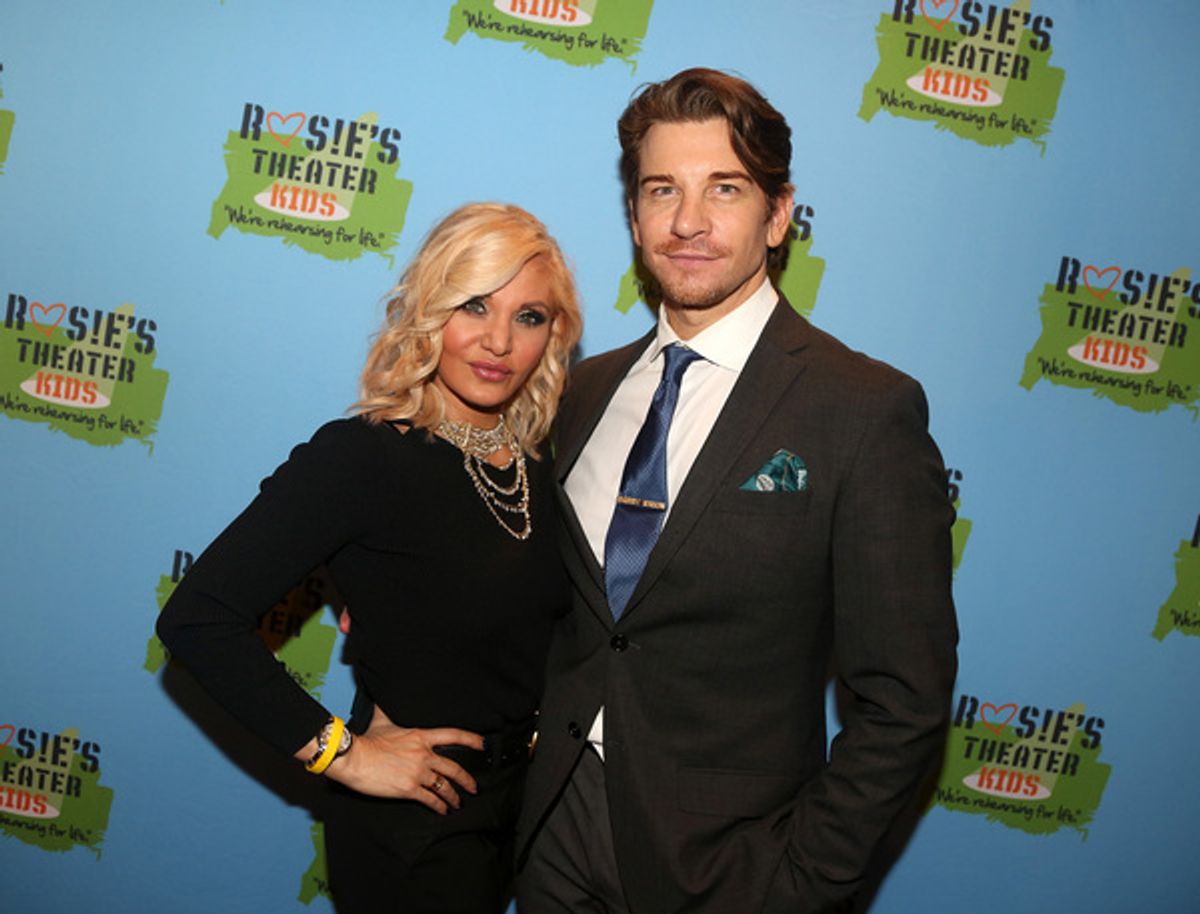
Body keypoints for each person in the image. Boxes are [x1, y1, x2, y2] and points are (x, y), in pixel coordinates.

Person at [515, 69, 958, 914]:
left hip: (731, 871)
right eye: (662, 190)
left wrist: (797, 882)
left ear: (778, 215)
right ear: (634, 216)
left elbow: (904, 700)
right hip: (553, 845)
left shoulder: (861, 409)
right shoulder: (579, 391)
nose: (688, 221)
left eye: (725, 188)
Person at [157, 202, 582, 914]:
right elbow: (197, 619)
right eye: (474, 305)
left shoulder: (539, 463)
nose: (499, 340)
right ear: (430, 308)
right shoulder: (364, 458)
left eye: (529, 316)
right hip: (415, 829)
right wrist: (345, 755)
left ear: (553, 334)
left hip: (522, 813)